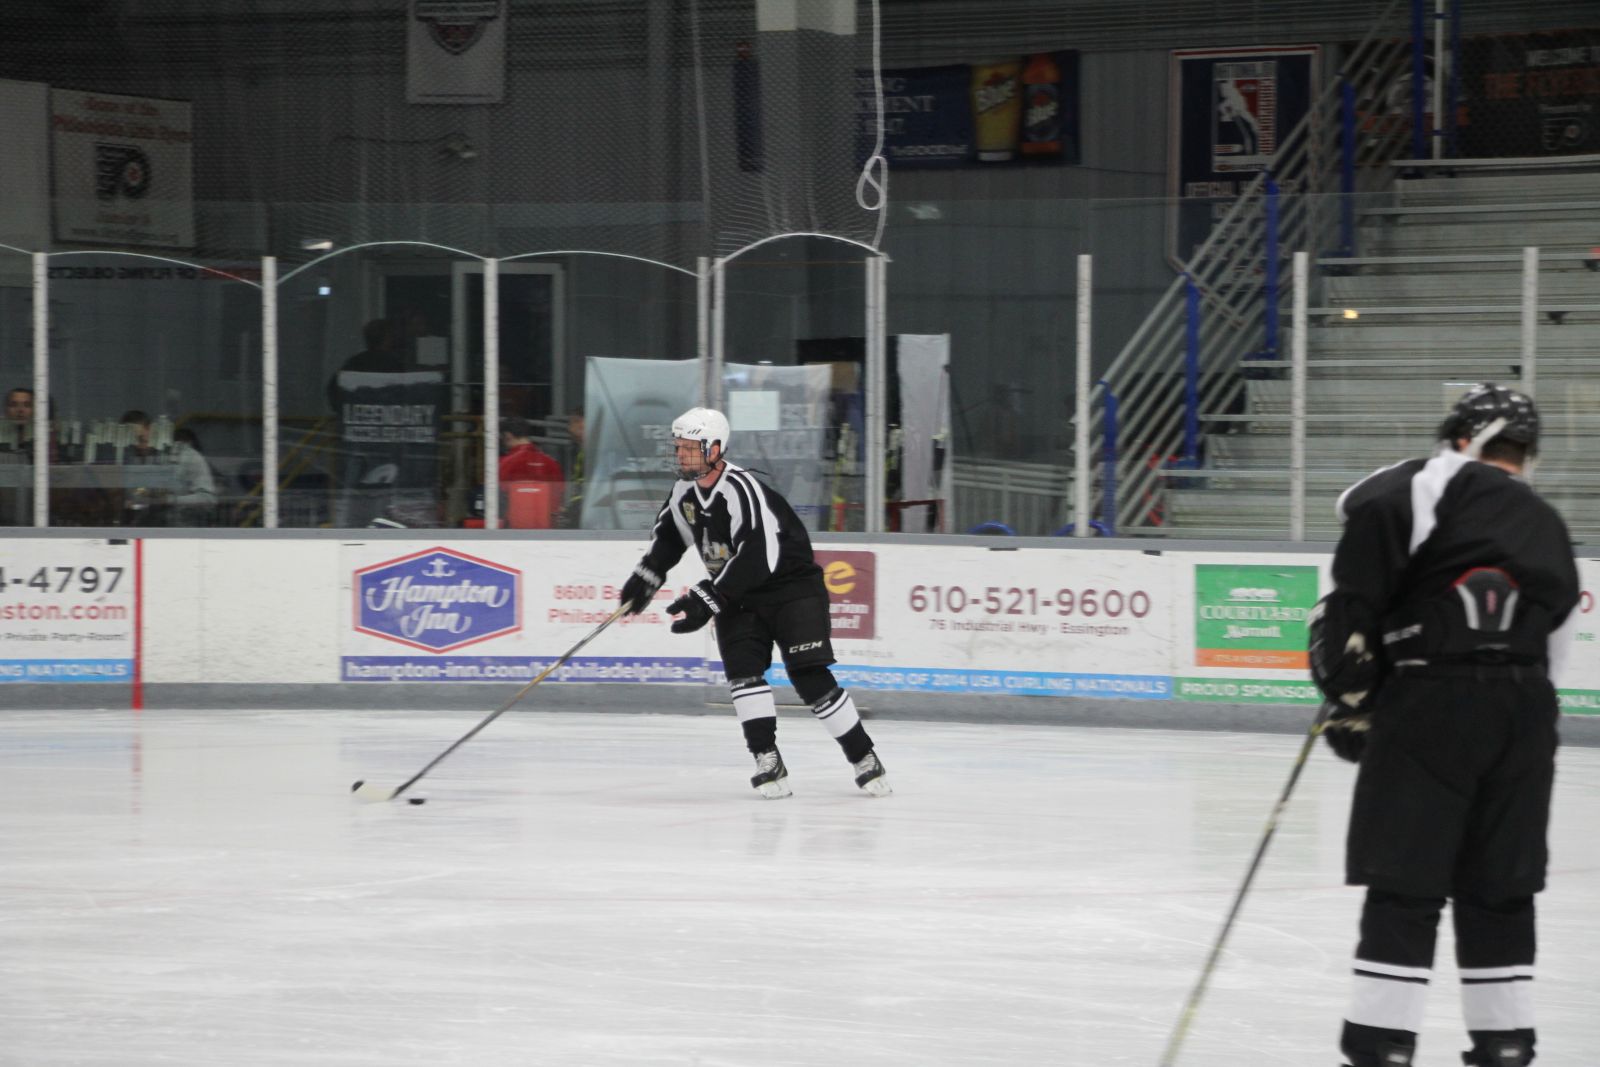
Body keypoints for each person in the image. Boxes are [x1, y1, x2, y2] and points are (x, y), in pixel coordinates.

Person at [1308, 383, 1580, 1067]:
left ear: (1463, 438)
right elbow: (1556, 650)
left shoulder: (1431, 481)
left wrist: (1351, 698)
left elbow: (1357, 523)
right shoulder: (1547, 522)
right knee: (1502, 886)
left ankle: (1381, 1046)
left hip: (1432, 700)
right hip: (1526, 714)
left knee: (1406, 883)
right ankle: (1505, 1044)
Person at [616, 406, 890, 799]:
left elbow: (760, 556)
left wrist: (707, 598)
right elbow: (670, 538)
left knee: (809, 676)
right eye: (678, 447)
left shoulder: (740, 489)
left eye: (689, 448)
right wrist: (646, 577)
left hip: (791, 589)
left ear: (714, 449)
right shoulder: (683, 493)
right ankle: (767, 758)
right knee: (743, 675)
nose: (680, 455)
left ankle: (863, 756)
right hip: (738, 593)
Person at [498, 417, 564, 489]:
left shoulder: (503, 463)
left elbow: (497, 491)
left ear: (508, 435)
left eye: (502, 437)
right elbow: (558, 491)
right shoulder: (551, 463)